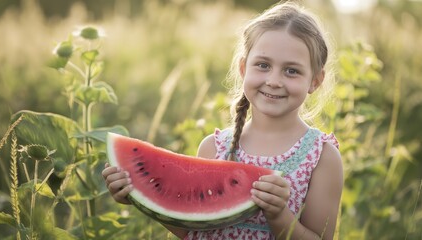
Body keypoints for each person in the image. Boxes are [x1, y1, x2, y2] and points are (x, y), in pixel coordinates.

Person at [102, 1, 343, 239]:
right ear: (243, 68)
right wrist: (138, 193)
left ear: (315, 81)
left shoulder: (321, 157)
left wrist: (279, 215)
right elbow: (191, 229)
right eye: (262, 65)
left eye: (291, 70)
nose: (274, 80)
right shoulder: (213, 147)